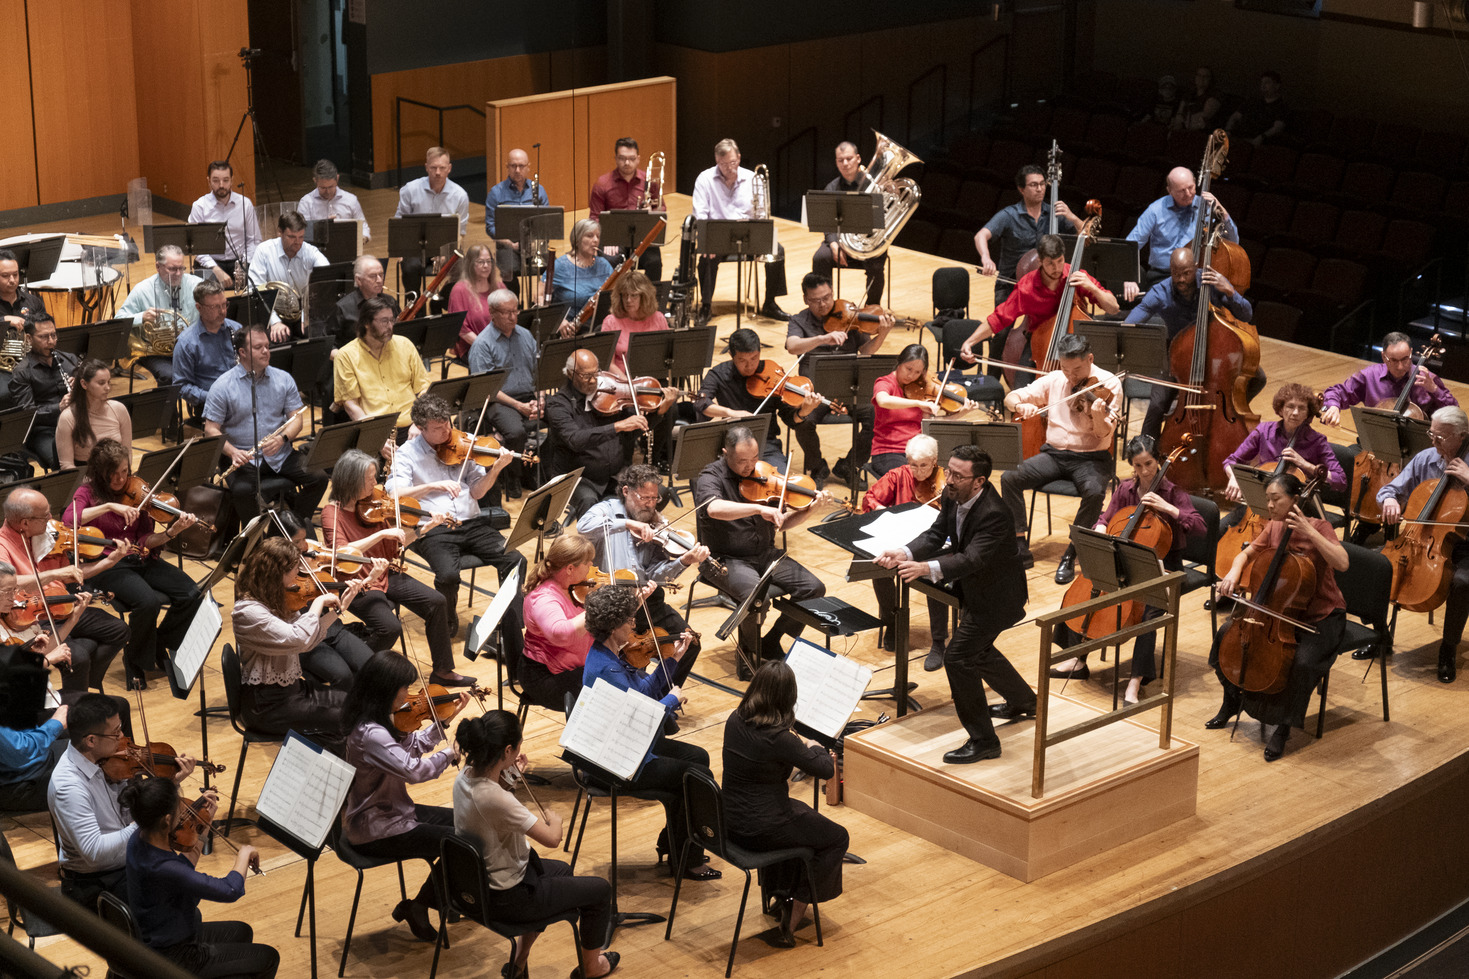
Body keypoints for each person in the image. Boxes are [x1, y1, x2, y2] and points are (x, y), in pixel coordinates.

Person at [876, 445, 1032, 764]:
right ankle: (1025, 701)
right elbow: (936, 535)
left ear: (979, 481)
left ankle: (984, 740)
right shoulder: (952, 494)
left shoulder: (995, 513)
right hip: (977, 591)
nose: (948, 479)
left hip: (999, 599)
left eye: (958, 476)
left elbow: (972, 559)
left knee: (959, 658)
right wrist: (904, 553)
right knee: (980, 650)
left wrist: (927, 569)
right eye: (948, 471)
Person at [454, 711, 618, 979]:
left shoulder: (465, 777)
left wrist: (511, 777)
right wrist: (557, 820)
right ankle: (592, 967)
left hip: (479, 883)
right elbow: (552, 838)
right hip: (508, 898)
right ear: (508, 750)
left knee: (562, 871)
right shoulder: (495, 798)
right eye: (517, 746)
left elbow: (493, 807)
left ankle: (518, 961)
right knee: (600, 890)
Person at [1048, 436, 1206, 703]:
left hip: (1162, 564)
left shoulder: (1173, 493)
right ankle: (1078, 659)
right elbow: (1106, 517)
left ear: (1158, 460)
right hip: (1122, 557)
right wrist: (1100, 529)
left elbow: (1200, 526)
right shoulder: (1126, 490)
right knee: (1088, 589)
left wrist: (1169, 509)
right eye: (1138, 465)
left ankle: (1135, 681)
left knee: (1150, 613)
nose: (1145, 471)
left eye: (1149, 463)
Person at [579, 585, 716, 880]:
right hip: (619, 760)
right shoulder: (608, 670)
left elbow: (642, 691)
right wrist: (672, 700)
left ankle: (675, 842)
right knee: (693, 776)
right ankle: (686, 858)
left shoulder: (609, 655)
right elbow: (644, 712)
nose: (635, 624)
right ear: (614, 626)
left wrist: (672, 660)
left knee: (699, 757)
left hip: (629, 740)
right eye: (629, 619)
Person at [1210, 472, 1348, 761]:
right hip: (1278, 613)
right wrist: (1235, 570)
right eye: (1267, 499)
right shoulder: (1273, 526)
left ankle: (1283, 728)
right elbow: (1247, 554)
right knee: (1226, 635)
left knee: (1302, 663)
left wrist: (1310, 533)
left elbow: (1343, 562)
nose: (1269, 506)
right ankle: (1231, 700)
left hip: (1319, 618)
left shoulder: (1320, 527)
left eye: (1276, 499)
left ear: (1295, 500)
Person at [341, 650, 470, 943]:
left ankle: (445, 896)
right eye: (405, 688)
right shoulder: (371, 733)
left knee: (466, 822)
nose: (411, 694)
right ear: (386, 689)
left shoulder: (381, 719)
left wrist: (444, 721)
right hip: (376, 827)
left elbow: (411, 748)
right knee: (462, 844)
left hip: (393, 810)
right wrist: (451, 752)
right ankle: (420, 907)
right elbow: (414, 771)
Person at [385, 393, 528, 643]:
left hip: (471, 523)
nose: (447, 432)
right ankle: (448, 620)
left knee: (515, 559)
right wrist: (433, 485)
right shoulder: (407, 454)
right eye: (438, 429)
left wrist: (495, 469)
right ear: (420, 428)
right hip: (434, 528)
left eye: (448, 424)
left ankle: (510, 624)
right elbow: (394, 493)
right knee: (448, 576)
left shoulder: (465, 442)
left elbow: (477, 491)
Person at [321, 449, 469, 686]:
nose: (375, 483)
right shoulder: (332, 513)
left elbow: (394, 548)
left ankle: (442, 671)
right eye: (369, 479)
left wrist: (424, 528)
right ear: (351, 480)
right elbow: (341, 552)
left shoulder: (374, 507)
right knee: (390, 627)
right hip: (358, 581)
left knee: (437, 601)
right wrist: (381, 534)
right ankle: (361, 672)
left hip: (386, 574)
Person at [723, 661, 846, 946]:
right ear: (787, 699)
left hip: (730, 822)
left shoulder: (734, 720)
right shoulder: (780, 739)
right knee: (837, 838)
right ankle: (791, 918)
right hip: (762, 830)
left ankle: (781, 891)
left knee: (802, 813)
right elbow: (825, 769)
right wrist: (816, 747)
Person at [64, 439, 202, 689]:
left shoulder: (138, 491)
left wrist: (172, 532)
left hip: (139, 557)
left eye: (125, 472)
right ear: (99, 472)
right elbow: (69, 520)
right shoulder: (88, 493)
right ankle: (135, 659)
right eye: (113, 474)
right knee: (147, 601)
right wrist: (107, 505)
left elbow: (145, 539)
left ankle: (159, 645)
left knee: (192, 593)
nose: (120, 479)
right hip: (107, 563)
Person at [695, 427, 828, 679]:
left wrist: (809, 510)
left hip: (764, 554)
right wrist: (756, 510)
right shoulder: (710, 476)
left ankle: (771, 641)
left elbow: (782, 523)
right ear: (725, 453)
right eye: (742, 461)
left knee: (814, 588)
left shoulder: (764, 477)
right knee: (756, 597)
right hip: (725, 559)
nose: (749, 467)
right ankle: (748, 654)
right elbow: (713, 508)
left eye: (754, 459)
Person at [121, 776, 278, 979]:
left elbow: (182, 871)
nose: (184, 808)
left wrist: (203, 824)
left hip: (159, 938)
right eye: (179, 805)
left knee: (242, 931)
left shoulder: (138, 840)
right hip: (177, 956)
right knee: (268, 958)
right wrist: (244, 854)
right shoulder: (163, 867)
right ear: (167, 820)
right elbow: (230, 890)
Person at [1000, 333, 1122, 582]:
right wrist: (1018, 405)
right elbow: (1012, 397)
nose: (1071, 377)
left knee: (1095, 492)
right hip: (1054, 455)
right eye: (1066, 369)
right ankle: (1018, 541)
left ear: (1090, 359)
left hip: (1092, 457)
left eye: (1077, 369)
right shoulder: (1056, 379)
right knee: (1009, 477)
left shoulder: (1109, 384)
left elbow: (1102, 433)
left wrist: (1097, 414)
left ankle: (1072, 551)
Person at [49, 693, 186, 912]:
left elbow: (129, 808)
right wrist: (145, 821)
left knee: (180, 888)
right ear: (91, 740)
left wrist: (170, 784)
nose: (122, 736)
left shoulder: (108, 762)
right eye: (116, 732)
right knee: (175, 903)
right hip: (94, 884)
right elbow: (94, 853)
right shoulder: (69, 787)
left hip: (123, 863)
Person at [0, 488, 132, 702]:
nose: (50, 519)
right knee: (77, 657)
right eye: (44, 516)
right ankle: (77, 707)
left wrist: (109, 561)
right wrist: (54, 573)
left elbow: (72, 575)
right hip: (35, 617)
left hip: (63, 605)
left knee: (119, 630)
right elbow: (10, 582)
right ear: (24, 523)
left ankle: (88, 682)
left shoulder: (45, 536)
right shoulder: (2, 546)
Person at [578, 463, 707, 677]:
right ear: (627, 491)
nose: (650, 506)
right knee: (631, 659)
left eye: (654, 499)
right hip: (613, 605)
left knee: (689, 642)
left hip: (647, 599)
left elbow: (655, 575)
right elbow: (583, 527)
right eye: (644, 498)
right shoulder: (606, 510)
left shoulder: (656, 523)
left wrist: (684, 561)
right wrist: (627, 524)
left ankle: (662, 698)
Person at [1126, 246, 1258, 441]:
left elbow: (1246, 315)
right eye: (1175, 274)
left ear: (1195, 267)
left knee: (1258, 376)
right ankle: (1146, 453)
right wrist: (1128, 331)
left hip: (1215, 354)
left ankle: (1230, 409)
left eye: (1186, 273)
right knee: (1157, 404)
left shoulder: (1211, 283)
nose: (1180, 279)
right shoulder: (1160, 291)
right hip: (1176, 356)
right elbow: (1132, 321)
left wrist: (1230, 291)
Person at [1378, 406, 1469, 683]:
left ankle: (1448, 648)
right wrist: (1391, 499)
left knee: (1463, 583)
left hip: (1466, 545)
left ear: (1461, 436)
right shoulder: (1425, 459)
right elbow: (1389, 489)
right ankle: (1381, 636)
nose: (1433, 441)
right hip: (1421, 539)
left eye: (1440, 437)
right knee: (1380, 568)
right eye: (1431, 433)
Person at [204, 323, 329, 525]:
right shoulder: (222, 386)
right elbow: (210, 430)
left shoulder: (283, 379)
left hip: (280, 453)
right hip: (243, 457)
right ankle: (255, 541)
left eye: (267, 346)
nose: (265, 351)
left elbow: (296, 418)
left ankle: (291, 526)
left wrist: (283, 438)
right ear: (242, 352)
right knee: (243, 490)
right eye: (258, 347)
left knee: (319, 478)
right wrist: (233, 452)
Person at [784, 271, 892, 485]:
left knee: (878, 417)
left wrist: (883, 334)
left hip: (849, 387)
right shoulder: (799, 320)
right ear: (806, 299)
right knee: (802, 420)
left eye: (827, 297)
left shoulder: (849, 315)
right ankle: (816, 466)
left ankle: (850, 465)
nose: (823, 304)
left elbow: (866, 351)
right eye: (816, 300)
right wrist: (823, 338)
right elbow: (792, 346)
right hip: (814, 391)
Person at [544, 348, 676, 520]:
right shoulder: (558, 405)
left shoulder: (610, 396)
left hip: (615, 475)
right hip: (580, 477)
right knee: (588, 501)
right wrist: (617, 426)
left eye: (596, 373)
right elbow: (575, 439)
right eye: (586, 376)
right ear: (570, 374)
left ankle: (634, 538)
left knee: (659, 494)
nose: (593, 381)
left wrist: (660, 412)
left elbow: (629, 434)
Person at [957, 234, 1118, 372]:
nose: (1057, 268)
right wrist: (970, 342)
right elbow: (999, 318)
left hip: (1078, 349)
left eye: (1060, 261)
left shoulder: (1076, 276)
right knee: (1021, 395)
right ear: (1040, 261)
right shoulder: (1027, 287)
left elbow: (1113, 308)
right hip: (1041, 347)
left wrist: (1093, 288)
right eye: (1050, 263)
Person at [861, 434, 954, 670]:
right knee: (878, 564)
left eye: (924, 465)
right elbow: (870, 498)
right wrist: (887, 513)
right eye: (914, 464)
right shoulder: (898, 475)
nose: (919, 471)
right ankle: (893, 622)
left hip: (936, 542)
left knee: (935, 574)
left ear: (934, 461)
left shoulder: (948, 481)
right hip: (902, 539)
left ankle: (939, 641)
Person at [266, 512, 377, 691]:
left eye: (304, 539)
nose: (303, 547)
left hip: (332, 628)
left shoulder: (312, 561)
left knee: (373, 668)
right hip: (305, 641)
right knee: (343, 676)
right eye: (296, 542)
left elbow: (332, 587)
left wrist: (365, 581)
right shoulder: (271, 574)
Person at [691, 138, 789, 322]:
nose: (729, 168)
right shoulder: (704, 179)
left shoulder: (753, 178)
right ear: (716, 161)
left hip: (747, 235)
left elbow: (761, 214)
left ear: (739, 158)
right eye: (723, 164)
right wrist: (707, 241)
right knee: (706, 257)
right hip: (718, 236)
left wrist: (753, 222)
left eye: (733, 162)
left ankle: (770, 303)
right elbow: (700, 215)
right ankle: (705, 306)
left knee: (778, 250)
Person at [1222, 384, 1346, 525]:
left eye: (1301, 408)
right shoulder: (1263, 431)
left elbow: (1340, 481)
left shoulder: (1318, 441)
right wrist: (1234, 477)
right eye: (1290, 406)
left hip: (1294, 515)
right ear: (1280, 409)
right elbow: (1231, 461)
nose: (1295, 413)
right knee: (1219, 529)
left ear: (1308, 413)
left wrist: (1305, 465)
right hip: (1260, 507)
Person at [694, 327, 817, 469]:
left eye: (754, 358)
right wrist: (730, 413)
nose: (749, 365)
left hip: (765, 446)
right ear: (731, 355)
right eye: (742, 360)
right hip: (730, 446)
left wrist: (804, 411)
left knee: (780, 481)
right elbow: (701, 402)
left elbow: (789, 418)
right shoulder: (718, 374)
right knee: (702, 476)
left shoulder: (773, 375)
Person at [1122, 167, 1239, 301]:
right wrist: (1129, 277)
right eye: (1181, 191)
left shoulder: (1206, 207)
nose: (1188, 193)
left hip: (1195, 279)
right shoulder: (1156, 210)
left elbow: (1233, 242)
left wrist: (1223, 213)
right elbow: (1130, 246)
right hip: (1162, 277)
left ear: (1195, 183)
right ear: (1170, 191)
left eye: (1191, 187)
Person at [974, 165, 1083, 307]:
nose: (1039, 189)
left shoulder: (1054, 214)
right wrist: (986, 258)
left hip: (1045, 285)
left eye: (1042, 184)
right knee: (1002, 328)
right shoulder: (1009, 215)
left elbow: (1084, 235)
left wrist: (1073, 217)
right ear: (1021, 189)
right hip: (1011, 283)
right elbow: (980, 236)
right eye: (1033, 185)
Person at [467, 288, 540, 498]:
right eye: (506, 312)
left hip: (528, 396)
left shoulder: (525, 335)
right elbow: (486, 388)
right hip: (499, 402)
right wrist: (519, 406)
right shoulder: (482, 344)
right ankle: (512, 476)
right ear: (492, 313)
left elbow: (537, 372)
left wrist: (540, 399)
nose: (512, 317)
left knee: (559, 414)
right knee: (515, 432)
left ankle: (539, 472)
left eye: (515, 311)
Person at [870, 344, 981, 478]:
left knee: (949, 478)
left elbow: (929, 424)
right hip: (889, 451)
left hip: (919, 451)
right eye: (908, 369)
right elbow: (883, 400)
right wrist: (917, 403)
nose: (911, 376)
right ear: (899, 362)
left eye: (917, 372)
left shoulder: (922, 389)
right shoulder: (884, 383)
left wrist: (961, 413)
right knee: (910, 479)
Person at [519, 534, 595, 711]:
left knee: (622, 679)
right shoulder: (544, 598)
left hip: (577, 668)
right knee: (613, 693)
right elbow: (561, 634)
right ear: (569, 569)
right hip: (548, 677)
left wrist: (637, 600)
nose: (592, 565)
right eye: (588, 562)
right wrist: (597, 608)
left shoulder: (574, 587)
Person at [1321, 330, 1458, 429]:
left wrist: (1434, 389)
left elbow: (1454, 414)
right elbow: (1337, 392)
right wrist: (1333, 406)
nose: (1400, 366)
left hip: (1418, 452)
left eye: (1405, 359)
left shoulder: (1428, 379)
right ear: (1383, 357)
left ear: (1411, 353)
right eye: (1393, 360)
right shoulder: (1370, 376)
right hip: (1376, 445)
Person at [334, 295, 430, 432]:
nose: (390, 326)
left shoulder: (405, 344)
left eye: (392, 320)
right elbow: (351, 405)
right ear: (366, 323)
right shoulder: (346, 356)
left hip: (413, 426)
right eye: (384, 321)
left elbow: (424, 389)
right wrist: (373, 436)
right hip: (376, 430)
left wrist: (419, 422)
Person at [810, 141, 889, 306]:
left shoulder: (874, 184)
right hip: (842, 242)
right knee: (820, 258)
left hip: (869, 241)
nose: (845, 163)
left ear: (858, 158)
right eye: (840, 160)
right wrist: (833, 243)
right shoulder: (831, 187)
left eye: (849, 158)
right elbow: (827, 222)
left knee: (875, 265)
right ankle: (825, 306)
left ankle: (872, 308)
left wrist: (890, 192)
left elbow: (884, 216)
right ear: (836, 162)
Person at [116, 244, 205, 385]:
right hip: (157, 354)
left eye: (181, 268)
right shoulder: (142, 290)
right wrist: (142, 316)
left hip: (192, 348)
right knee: (169, 377)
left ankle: (201, 406)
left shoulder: (197, 285)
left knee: (210, 370)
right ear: (158, 267)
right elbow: (119, 320)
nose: (178, 273)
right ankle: (170, 407)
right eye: (172, 269)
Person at [395, 146, 469, 298]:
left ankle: (445, 305)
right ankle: (415, 311)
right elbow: (400, 223)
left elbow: (460, 232)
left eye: (442, 168)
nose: (437, 172)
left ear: (449, 168)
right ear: (426, 167)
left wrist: (446, 253)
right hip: (415, 247)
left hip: (445, 247)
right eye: (433, 167)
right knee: (410, 268)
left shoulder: (460, 195)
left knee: (462, 268)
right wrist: (401, 249)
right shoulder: (410, 190)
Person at [589, 136, 664, 282]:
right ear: (616, 158)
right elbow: (594, 218)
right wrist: (607, 239)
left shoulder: (649, 182)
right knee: (610, 260)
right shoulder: (602, 184)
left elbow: (661, 211)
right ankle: (611, 300)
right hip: (614, 237)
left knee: (654, 262)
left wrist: (651, 212)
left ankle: (649, 301)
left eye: (631, 158)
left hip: (642, 236)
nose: (627, 163)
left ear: (638, 159)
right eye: (622, 158)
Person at [9, 312, 77, 470]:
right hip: (44, 430)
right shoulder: (22, 372)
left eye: (54, 335)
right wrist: (58, 407)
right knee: (62, 459)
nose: (51, 341)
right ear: (29, 339)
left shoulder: (69, 360)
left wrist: (83, 387)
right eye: (44, 337)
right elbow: (27, 413)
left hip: (77, 423)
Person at [247, 210, 327, 340]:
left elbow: (326, 276)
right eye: (291, 237)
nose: (297, 242)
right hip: (273, 312)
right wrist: (275, 321)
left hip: (302, 313)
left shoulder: (310, 252)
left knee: (317, 335)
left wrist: (306, 317)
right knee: (276, 338)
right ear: (280, 232)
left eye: (301, 237)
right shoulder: (264, 251)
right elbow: (255, 289)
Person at [173, 279, 241, 416]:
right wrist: (211, 396)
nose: (222, 312)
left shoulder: (237, 329)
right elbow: (181, 387)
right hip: (211, 406)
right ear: (199, 308)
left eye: (224, 305)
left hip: (241, 397)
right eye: (215, 307)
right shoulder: (186, 343)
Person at [188, 160, 262, 286]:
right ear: (208, 181)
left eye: (226, 180)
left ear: (232, 180)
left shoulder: (245, 204)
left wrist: (244, 266)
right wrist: (215, 269)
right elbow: (196, 246)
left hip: (239, 262)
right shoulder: (199, 206)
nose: (221, 185)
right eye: (216, 180)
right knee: (207, 297)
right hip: (210, 263)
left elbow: (254, 240)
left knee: (254, 291)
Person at [485, 147, 547, 287]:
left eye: (521, 166)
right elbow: (490, 227)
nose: (517, 170)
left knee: (549, 267)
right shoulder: (496, 193)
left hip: (533, 244)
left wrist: (534, 242)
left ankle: (539, 303)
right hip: (507, 244)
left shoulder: (539, 190)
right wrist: (509, 243)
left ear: (528, 167)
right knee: (509, 270)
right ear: (507, 167)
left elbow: (546, 222)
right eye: (513, 166)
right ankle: (513, 304)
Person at [54, 359, 130, 470]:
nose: (108, 388)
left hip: (117, 477)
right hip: (87, 480)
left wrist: (122, 477)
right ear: (84, 384)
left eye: (108, 382)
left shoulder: (119, 409)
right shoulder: (68, 417)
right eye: (101, 383)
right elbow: (67, 465)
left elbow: (128, 453)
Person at [547, 218, 615, 337]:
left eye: (597, 236)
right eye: (589, 236)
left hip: (600, 327)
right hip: (570, 330)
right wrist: (559, 321)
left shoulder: (604, 264)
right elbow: (541, 297)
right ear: (577, 239)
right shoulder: (561, 265)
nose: (595, 240)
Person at [0, 695, 67, 815]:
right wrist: (57, 723)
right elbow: (22, 752)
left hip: (35, 763)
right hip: (21, 784)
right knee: (96, 759)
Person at [326, 255, 399, 352]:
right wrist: (343, 358)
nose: (379, 280)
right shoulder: (343, 308)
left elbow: (400, 334)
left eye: (381, 275)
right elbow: (328, 345)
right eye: (373, 276)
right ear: (358, 280)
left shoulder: (390, 302)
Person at [599, 269, 669, 367]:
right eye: (625, 295)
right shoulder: (610, 322)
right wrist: (628, 381)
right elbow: (609, 364)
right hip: (621, 379)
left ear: (644, 297)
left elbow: (666, 356)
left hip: (652, 376)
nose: (628, 300)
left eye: (634, 295)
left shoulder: (658, 319)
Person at [447, 243, 505, 358]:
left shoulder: (499, 287)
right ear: (470, 264)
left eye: (489, 262)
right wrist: (488, 347)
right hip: (473, 347)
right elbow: (463, 330)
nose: (486, 266)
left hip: (500, 345)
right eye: (480, 262)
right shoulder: (459, 290)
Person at [297, 158, 371, 241]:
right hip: (316, 250)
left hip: (346, 247)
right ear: (315, 181)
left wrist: (363, 237)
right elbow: (302, 232)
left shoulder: (351, 200)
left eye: (331, 187)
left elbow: (363, 226)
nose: (327, 192)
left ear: (337, 178)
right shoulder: (306, 202)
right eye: (323, 188)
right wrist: (325, 227)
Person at [1226, 71, 1287, 147]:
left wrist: (1262, 137)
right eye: (1262, 83)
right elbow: (1235, 117)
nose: (1263, 86)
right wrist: (1228, 131)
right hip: (1238, 136)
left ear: (1277, 86)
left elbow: (1277, 127)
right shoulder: (1252, 101)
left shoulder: (1281, 106)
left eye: (1267, 83)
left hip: (1256, 141)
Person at [0, 248, 48, 328]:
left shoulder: (33, 302)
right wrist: (4, 320)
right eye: (5, 275)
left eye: (15, 274)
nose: (12, 280)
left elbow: (45, 329)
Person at [1174, 66, 1222, 132]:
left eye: (1205, 76)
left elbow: (1204, 118)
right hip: (1183, 130)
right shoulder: (1189, 94)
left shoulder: (1215, 96)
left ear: (1210, 79)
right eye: (1199, 75)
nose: (1201, 78)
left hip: (1201, 133)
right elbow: (1180, 111)